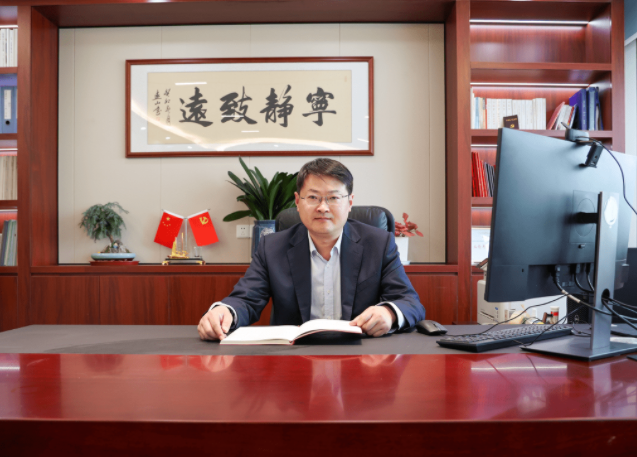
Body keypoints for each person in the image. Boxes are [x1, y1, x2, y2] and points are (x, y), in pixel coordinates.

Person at [198, 158, 426, 341]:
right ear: (298, 201)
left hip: (361, 354)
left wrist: (389, 313)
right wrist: (224, 312)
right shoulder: (272, 247)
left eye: (333, 198)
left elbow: (409, 301)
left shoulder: (378, 243)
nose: (323, 207)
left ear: (350, 202)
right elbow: (246, 299)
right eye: (313, 197)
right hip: (294, 358)